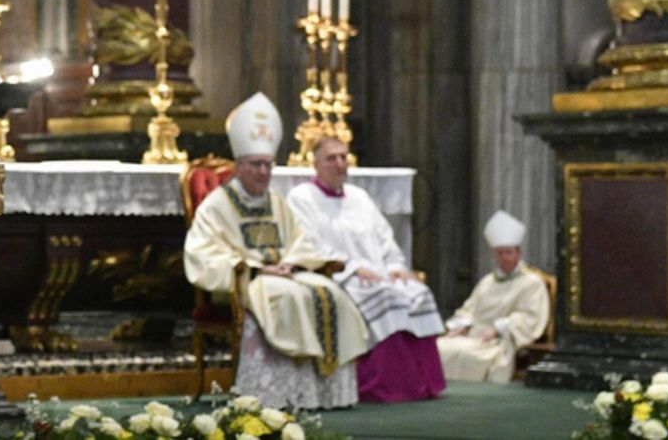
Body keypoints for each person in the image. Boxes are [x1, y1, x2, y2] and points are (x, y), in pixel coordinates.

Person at [184, 93, 370, 409]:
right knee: (286, 297)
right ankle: (276, 394)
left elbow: (300, 241)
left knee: (332, 293)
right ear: (238, 167)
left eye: (267, 165)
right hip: (246, 281)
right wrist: (256, 268)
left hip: (284, 274)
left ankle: (323, 393)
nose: (262, 172)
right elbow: (203, 254)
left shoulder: (276, 202)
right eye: (255, 165)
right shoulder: (217, 205)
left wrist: (292, 263)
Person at [285, 137, 446, 402]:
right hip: (340, 275)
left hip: (378, 272)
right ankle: (390, 386)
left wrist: (395, 266)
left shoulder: (359, 197)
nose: (339, 163)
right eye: (331, 158)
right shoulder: (302, 197)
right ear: (316, 164)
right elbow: (309, 243)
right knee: (385, 297)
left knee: (418, 292)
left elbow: (384, 237)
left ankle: (425, 383)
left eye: (343, 157)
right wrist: (352, 267)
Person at [437, 210, 549, 383]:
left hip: (497, 340)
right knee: (439, 347)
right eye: (499, 253)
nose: (504, 258)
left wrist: (498, 329)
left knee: (467, 354)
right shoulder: (487, 281)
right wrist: (463, 325)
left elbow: (529, 318)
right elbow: (469, 310)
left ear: (518, 253)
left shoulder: (532, 283)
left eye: (508, 252)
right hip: (473, 335)